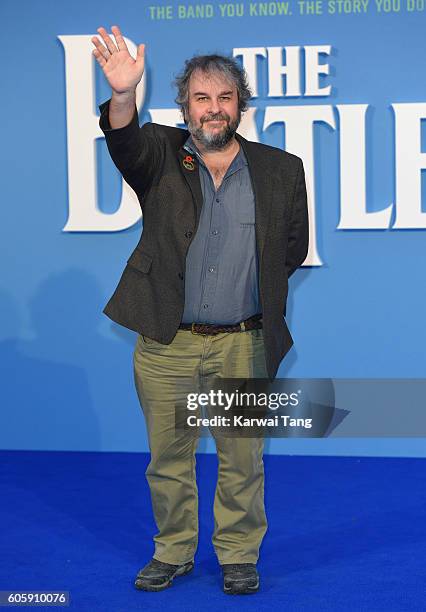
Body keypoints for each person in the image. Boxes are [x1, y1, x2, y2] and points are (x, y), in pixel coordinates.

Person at [92, 25, 309, 595]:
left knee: (242, 460)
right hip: (168, 341)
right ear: (184, 104)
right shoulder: (159, 154)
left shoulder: (280, 169)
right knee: (168, 457)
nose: (213, 109)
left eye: (225, 97)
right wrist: (122, 94)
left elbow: (292, 248)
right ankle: (173, 551)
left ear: (240, 105)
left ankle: (238, 554)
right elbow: (122, 140)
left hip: (246, 340)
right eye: (201, 97)